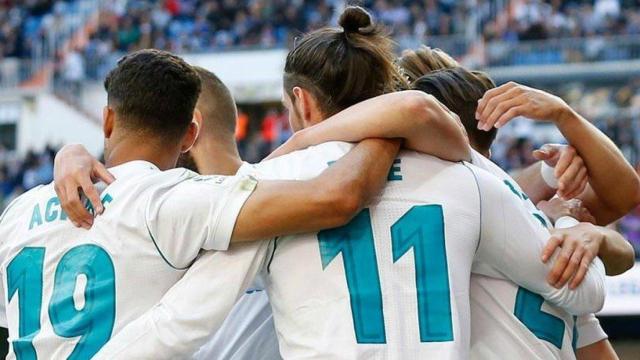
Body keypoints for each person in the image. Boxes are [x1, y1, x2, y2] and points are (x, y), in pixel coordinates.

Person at [54, 7, 607, 359]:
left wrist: (77, 155)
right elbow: (582, 292)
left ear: (299, 102)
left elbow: (178, 324)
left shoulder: (270, 188)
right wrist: (579, 230)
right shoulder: (467, 177)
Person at [0, 48, 410, 359]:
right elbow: (337, 196)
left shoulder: (18, 213)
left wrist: (70, 152)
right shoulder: (172, 201)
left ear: (107, 120)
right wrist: (392, 125)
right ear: (190, 133)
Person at [393, 50, 637, 359]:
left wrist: (594, 234)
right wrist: (578, 226)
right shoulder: (502, 196)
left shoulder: (488, 193)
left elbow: (621, 201)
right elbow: (597, 279)